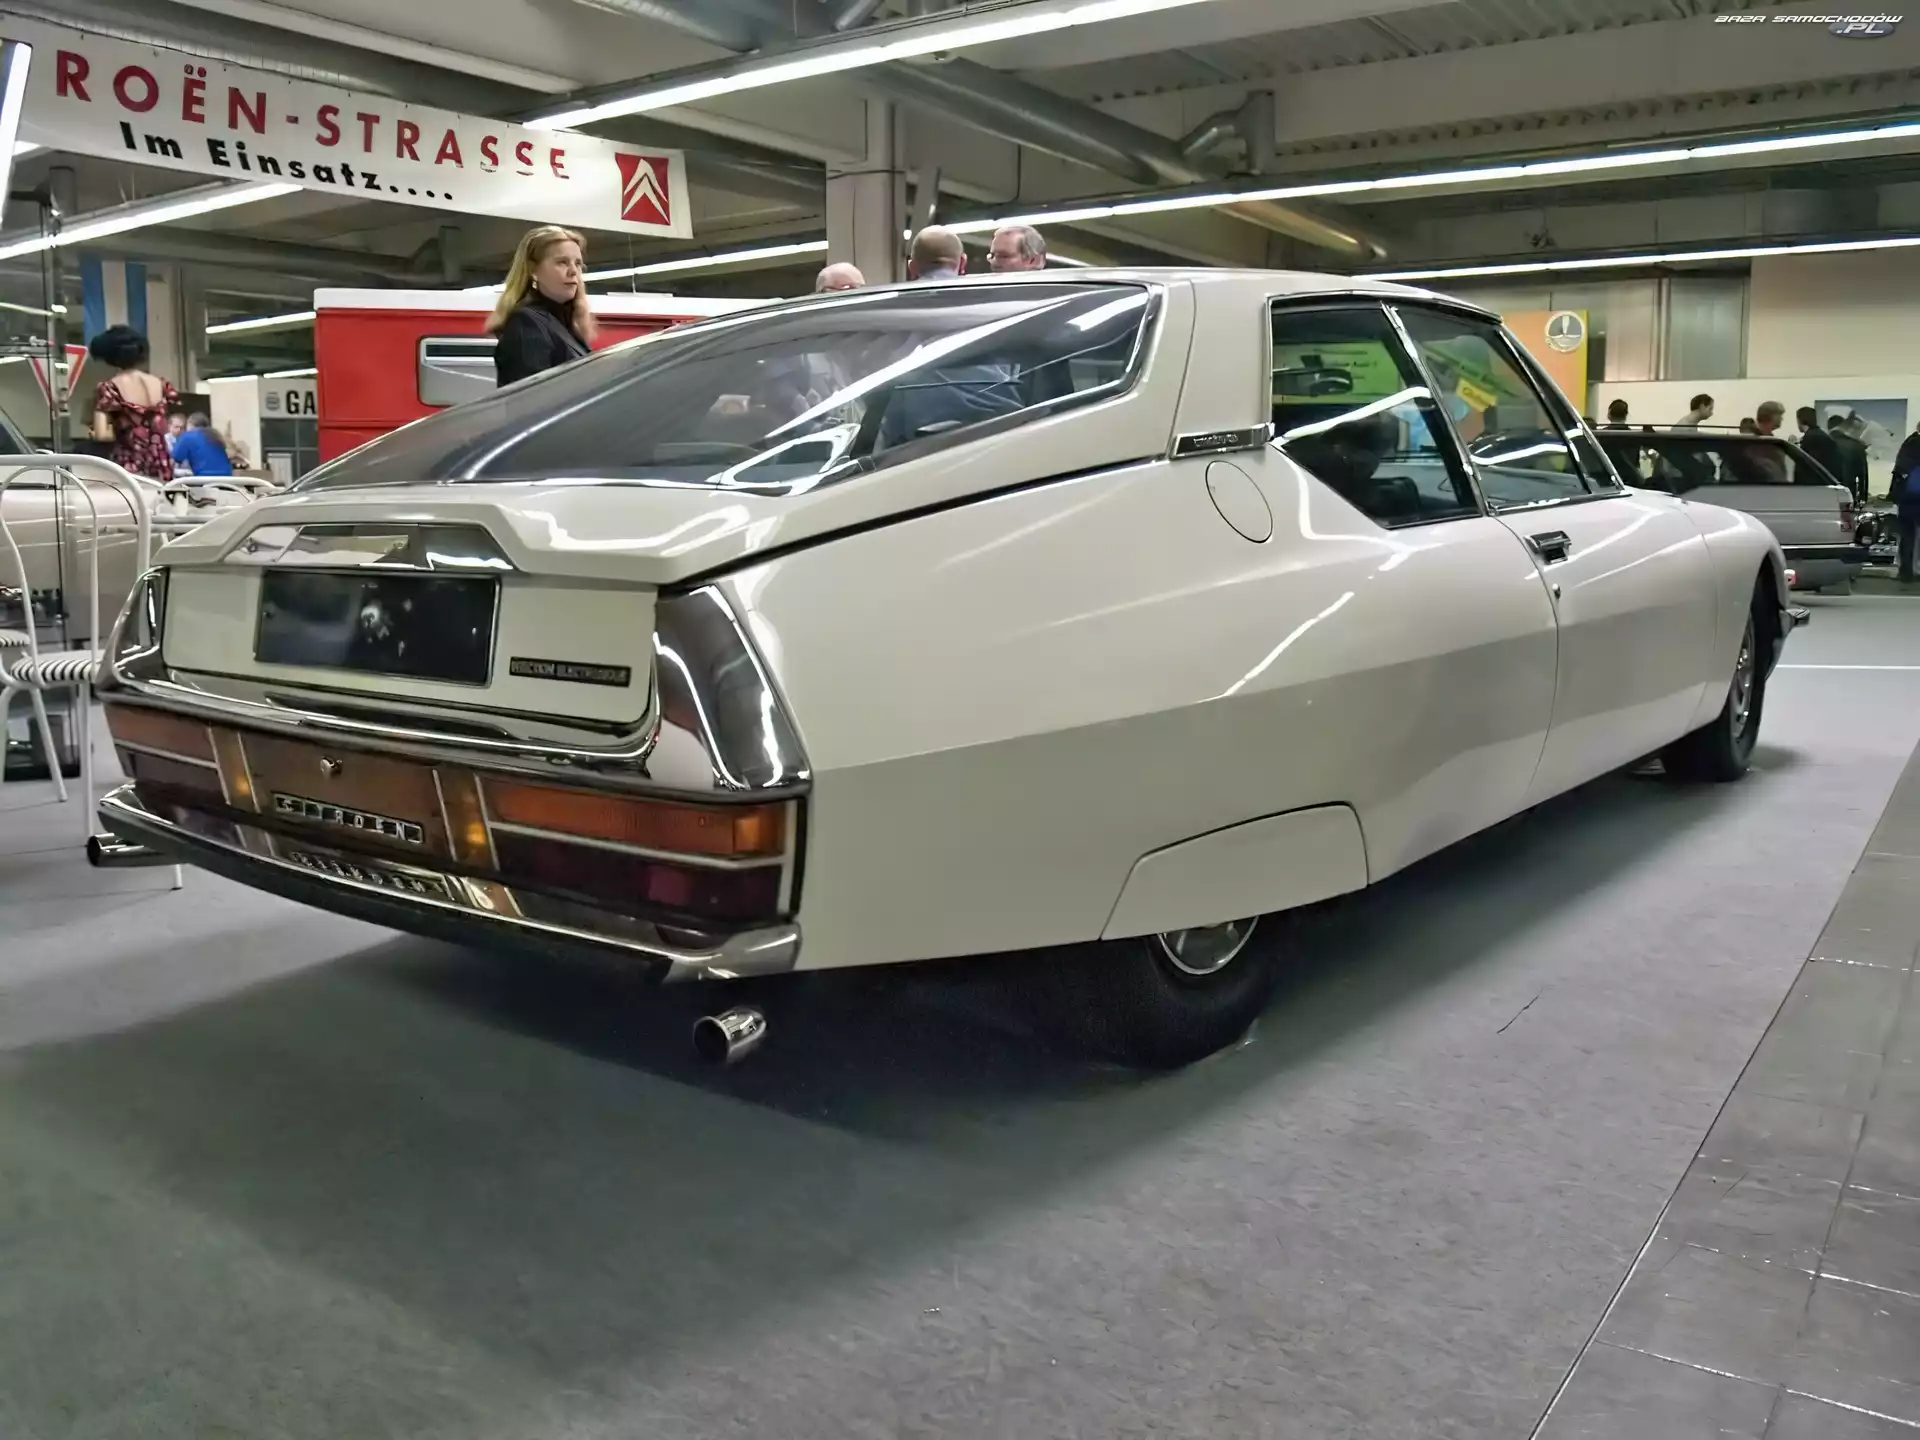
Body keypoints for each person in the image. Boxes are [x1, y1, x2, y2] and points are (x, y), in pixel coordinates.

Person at [488, 224, 597, 387]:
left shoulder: (567, 326)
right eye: (562, 262)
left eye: (578, 264)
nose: (574, 271)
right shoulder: (526, 323)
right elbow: (531, 397)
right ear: (533, 270)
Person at [87, 325, 179, 482]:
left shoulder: (109, 388)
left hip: (129, 465)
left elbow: (102, 434)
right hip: (161, 464)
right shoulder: (161, 384)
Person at [169, 413, 235, 478]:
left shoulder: (188, 436)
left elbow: (176, 458)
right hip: (227, 476)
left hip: (204, 478)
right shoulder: (216, 436)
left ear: (190, 425)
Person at [1826, 413, 1870, 502]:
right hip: (1848, 494)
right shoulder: (1856, 445)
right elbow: (1863, 475)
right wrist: (1863, 498)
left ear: (1828, 427)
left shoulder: (1821, 443)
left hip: (1825, 494)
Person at [1796, 405, 1844, 484]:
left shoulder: (1811, 437)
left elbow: (1808, 464)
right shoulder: (1819, 434)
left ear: (1801, 420)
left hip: (1817, 484)